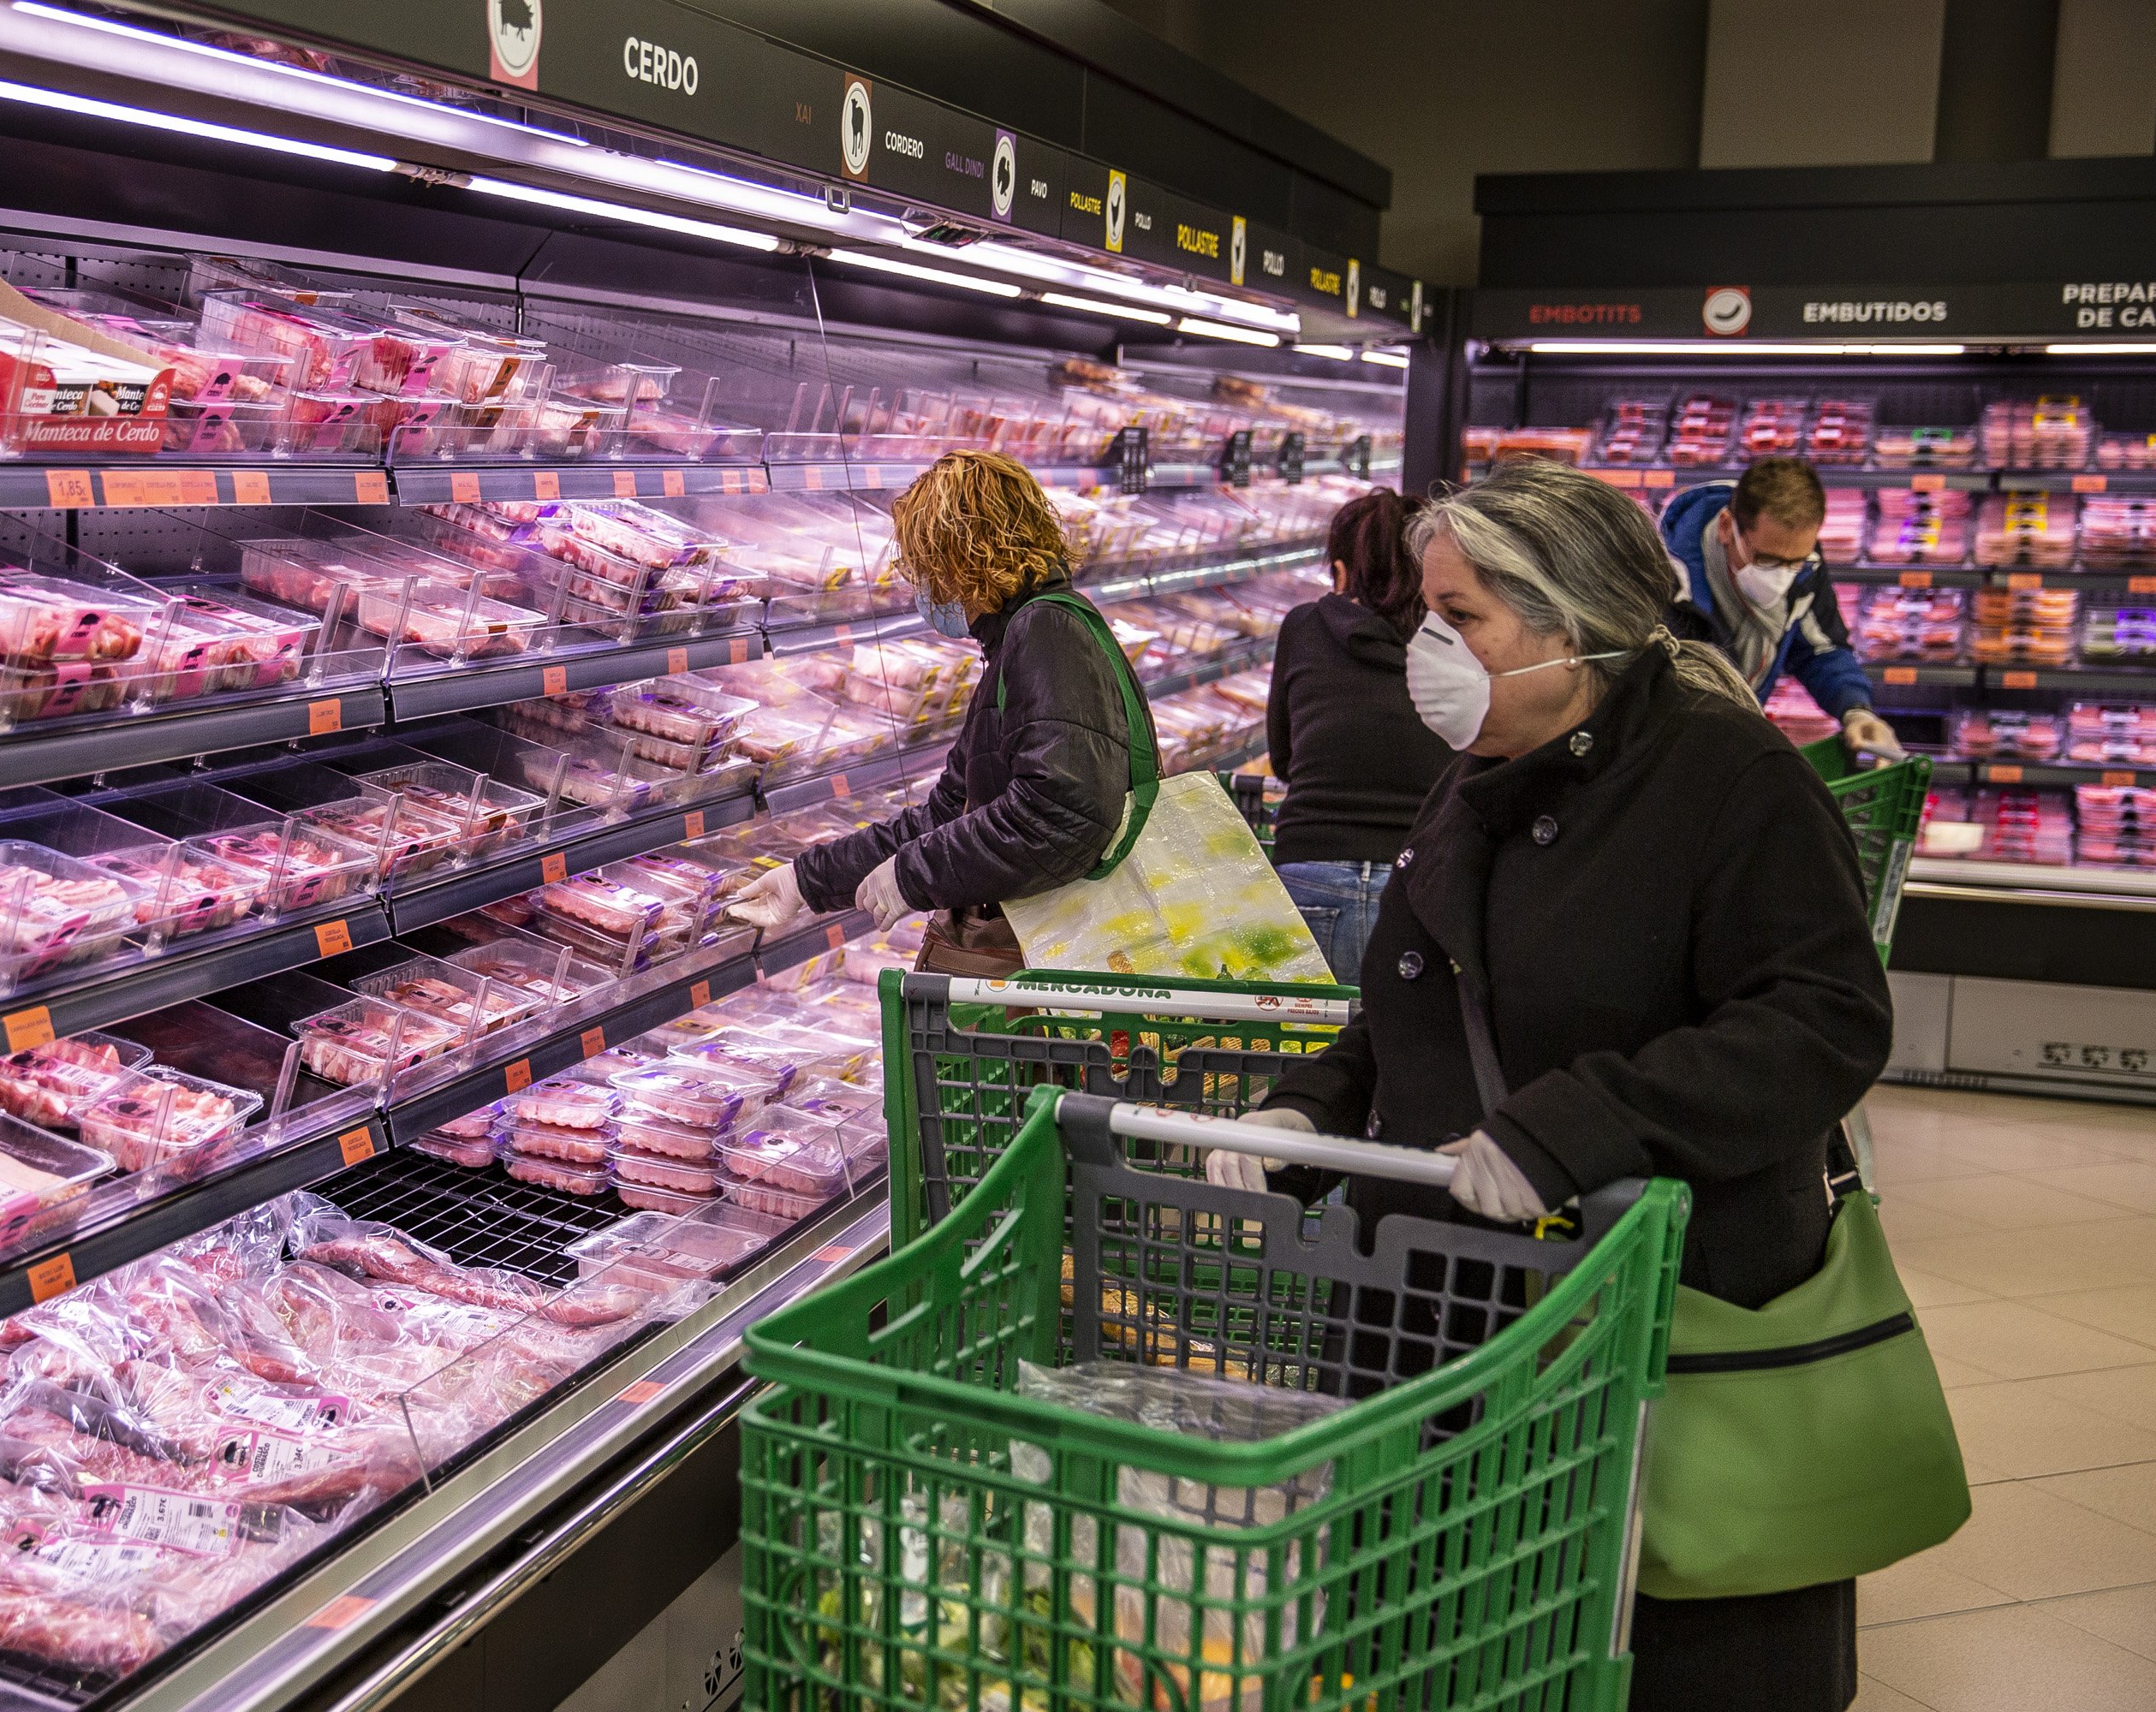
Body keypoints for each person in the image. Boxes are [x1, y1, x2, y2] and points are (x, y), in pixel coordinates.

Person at [1208, 461, 1892, 1712]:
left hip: (1644, 1324)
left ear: (1567, 625)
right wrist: (1309, 1102)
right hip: (1448, 1317)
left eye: (1460, 617)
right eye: (1428, 611)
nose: (1429, 644)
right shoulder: (1479, 762)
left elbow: (1825, 1020)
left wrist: (1576, 1124)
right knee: (1455, 1641)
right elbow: (1414, 992)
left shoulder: (1729, 776)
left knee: (1630, 1653)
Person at [724, 449, 1151, 977]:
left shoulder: (1045, 636)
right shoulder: (1026, 636)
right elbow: (951, 811)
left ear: (960, 560)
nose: (920, 587)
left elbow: (1057, 814)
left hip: (1053, 959)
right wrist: (806, 881)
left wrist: (912, 875)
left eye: (924, 568)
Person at [1265, 487, 1454, 984]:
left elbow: (1283, 759)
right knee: (1405, 1049)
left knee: (1300, 1052)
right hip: (1423, 875)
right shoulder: (1457, 637)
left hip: (1308, 869)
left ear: (1343, 572)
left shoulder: (1304, 626)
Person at [1660, 455, 1903, 760]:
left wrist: (1855, 709)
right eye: (1767, 560)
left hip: (1736, 743)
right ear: (1726, 527)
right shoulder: (1663, 584)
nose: (1781, 576)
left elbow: (1819, 649)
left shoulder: (1804, 566)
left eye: (1794, 561)